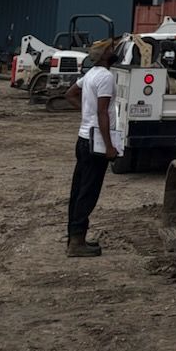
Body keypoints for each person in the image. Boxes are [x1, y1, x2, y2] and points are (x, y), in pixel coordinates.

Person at [64, 40, 121, 258]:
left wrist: (85, 113)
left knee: (78, 190)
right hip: (95, 141)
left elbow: (70, 94)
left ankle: (73, 237)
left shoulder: (89, 75)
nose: (113, 51)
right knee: (89, 191)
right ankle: (77, 242)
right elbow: (103, 113)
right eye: (110, 49)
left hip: (82, 139)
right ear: (104, 55)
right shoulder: (106, 77)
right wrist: (109, 146)